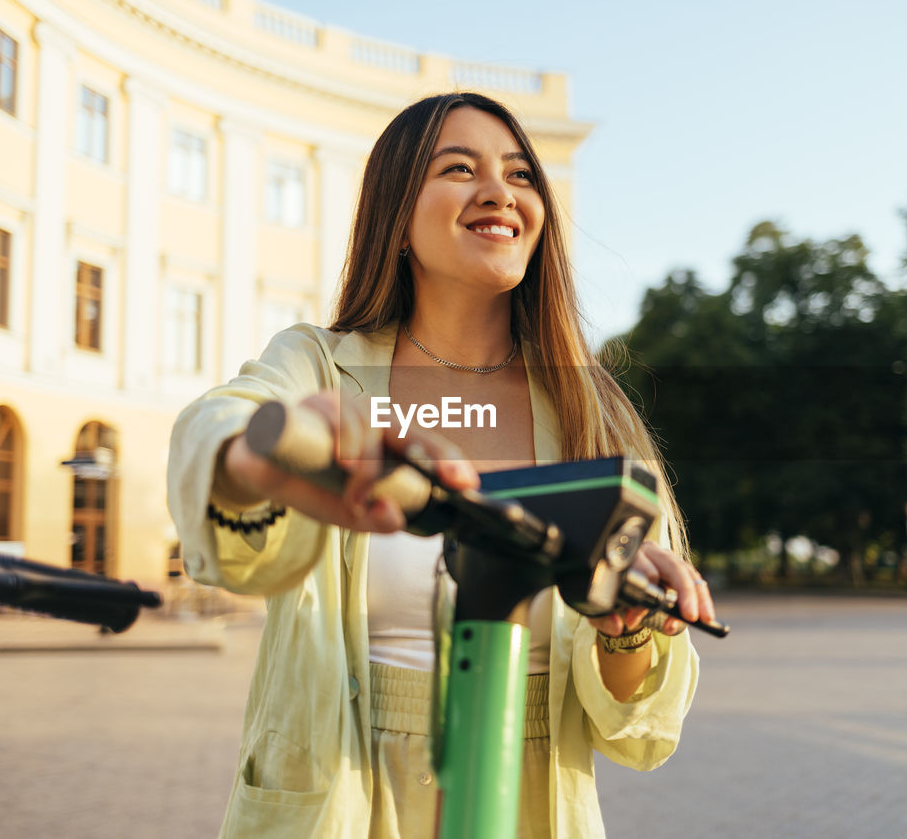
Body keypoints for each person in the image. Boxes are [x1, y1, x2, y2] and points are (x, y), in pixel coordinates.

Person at [167, 92, 716, 839]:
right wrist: (263, 453)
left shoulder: (596, 413)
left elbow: (639, 731)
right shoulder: (320, 365)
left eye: (522, 176)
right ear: (396, 215)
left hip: (529, 803)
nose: (500, 191)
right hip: (340, 800)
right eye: (459, 169)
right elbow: (218, 423)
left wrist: (629, 629)